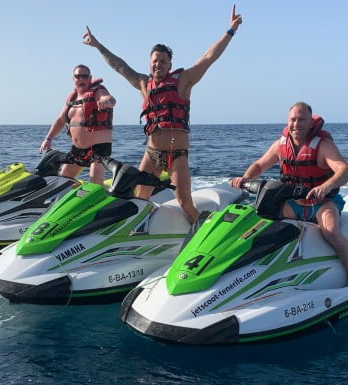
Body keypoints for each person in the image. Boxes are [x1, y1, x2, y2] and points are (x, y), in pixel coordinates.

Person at [82, 6, 242, 223]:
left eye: (163, 61)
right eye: (155, 60)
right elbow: (120, 66)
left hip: (177, 155)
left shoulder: (183, 81)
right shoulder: (143, 84)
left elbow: (208, 57)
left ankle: (199, 235)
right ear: (150, 62)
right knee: (140, 198)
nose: (158, 64)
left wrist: (230, 30)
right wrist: (97, 45)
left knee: (185, 203)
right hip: (152, 154)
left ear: (170, 64)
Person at [231, 102, 348, 272]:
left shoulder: (323, 146)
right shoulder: (280, 145)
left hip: (322, 203)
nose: (296, 124)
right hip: (293, 203)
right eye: (293, 119)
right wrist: (246, 177)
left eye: (302, 120)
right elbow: (259, 165)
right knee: (259, 225)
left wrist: (327, 185)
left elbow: (343, 170)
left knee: (331, 233)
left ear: (310, 122)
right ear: (287, 121)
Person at [40, 64, 116, 185]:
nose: (81, 79)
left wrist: (106, 101)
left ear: (90, 78)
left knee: (95, 184)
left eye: (85, 76)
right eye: (78, 76)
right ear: (73, 79)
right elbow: (60, 120)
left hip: (98, 150)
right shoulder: (72, 98)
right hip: (78, 150)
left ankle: (103, 201)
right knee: (63, 180)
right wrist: (48, 139)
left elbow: (111, 99)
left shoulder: (98, 91)